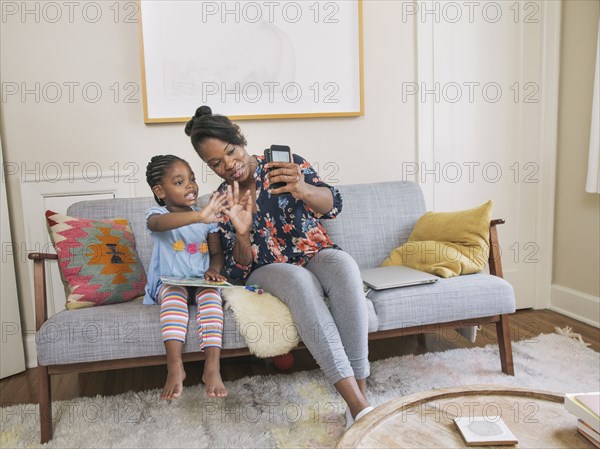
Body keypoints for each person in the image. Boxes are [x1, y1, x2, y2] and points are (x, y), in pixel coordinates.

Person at [184, 106, 374, 427]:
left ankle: (362, 396)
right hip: (266, 268)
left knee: (343, 264)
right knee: (298, 280)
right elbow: (238, 267)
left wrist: (301, 188)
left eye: (231, 152)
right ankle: (356, 405)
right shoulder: (222, 201)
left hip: (312, 251)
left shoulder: (286, 165)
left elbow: (332, 204)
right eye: (216, 163)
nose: (228, 165)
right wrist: (242, 235)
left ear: (240, 140)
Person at [144, 154, 229, 400]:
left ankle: (212, 367)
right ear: (160, 190)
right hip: (170, 283)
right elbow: (158, 224)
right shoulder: (156, 214)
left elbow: (216, 253)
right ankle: (175, 366)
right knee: (173, 298)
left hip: (200, 282)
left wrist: (214, 270)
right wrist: (199, 216)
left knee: (212, 299)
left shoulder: (208, 221)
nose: (190, 185)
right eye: (179, 182)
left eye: (191, 178)